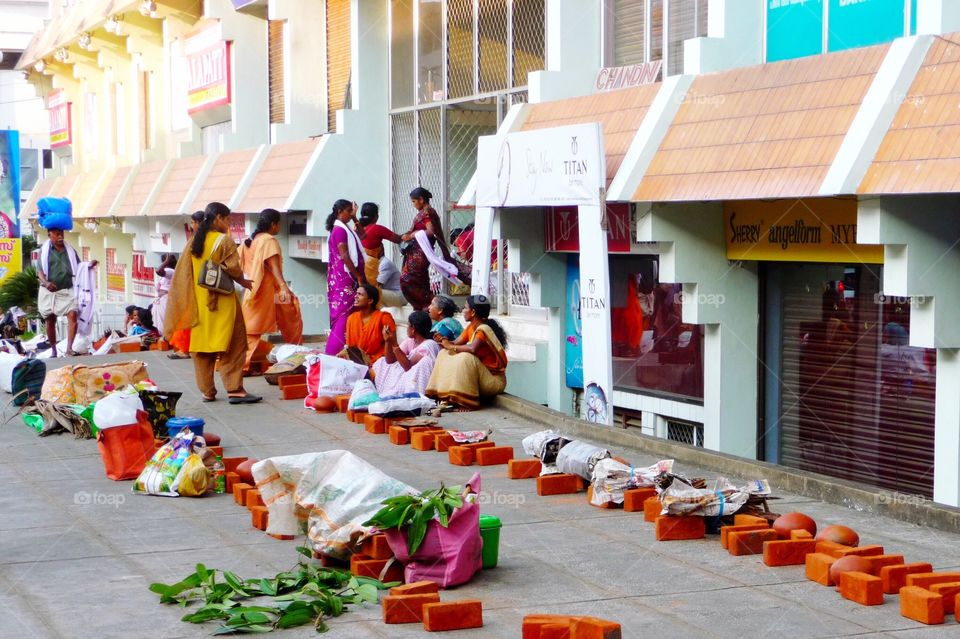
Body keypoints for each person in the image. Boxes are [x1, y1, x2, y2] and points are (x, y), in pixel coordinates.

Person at [164, 202, 261, 404]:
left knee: (202, 348)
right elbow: (234, 268)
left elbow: (184, 273)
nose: (228, 223)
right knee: (234, 344)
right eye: (227, 219)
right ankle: (234, 389)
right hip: (222, 300)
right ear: (218, 217)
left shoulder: (193, 242)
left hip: (200, 303)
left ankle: (207, 391)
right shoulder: (223, 241)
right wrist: (242, 280)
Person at [239, 208, 301, 371]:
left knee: (289, 319)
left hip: (254, 289)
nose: (279, 227)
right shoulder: (268, 240)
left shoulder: (249, 240)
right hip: (270, 290)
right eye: (279, 224)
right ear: (273, 224)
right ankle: (242, 365)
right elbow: (274, 267)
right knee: (290, 317)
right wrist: (284, 287)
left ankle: (295, 356)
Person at [426, 294, 508, 410]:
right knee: (444, 353)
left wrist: (450, 346)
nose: (462, 310)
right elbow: (455, 343)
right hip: (480, 378)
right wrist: (443, 341)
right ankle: (442, 396)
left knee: (466, 357)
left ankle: (467, 402)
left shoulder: (483, 328)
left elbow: (472, 349)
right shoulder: (471, 327)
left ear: (473, 312)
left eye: (465, 308)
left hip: (494, 382)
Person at [37, 227, 97, 357]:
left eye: (62, 233)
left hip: (68, 289)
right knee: (50, 320)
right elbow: (39, 271)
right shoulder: (44, 251)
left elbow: (80, 266)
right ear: (49, 235)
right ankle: (53, 349)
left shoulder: (70, 250)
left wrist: (89, 265)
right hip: (49, 291)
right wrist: (46, 283)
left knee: (73, 315)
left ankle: (69, 349)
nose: (60, 236)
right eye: (57, 234)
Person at [399, 187, 454, 311]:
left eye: (414, 201)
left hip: (421, 252)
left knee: (407, 279)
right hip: (417, 251)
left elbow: (430, 231)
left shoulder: (427, 212)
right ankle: (426, 306)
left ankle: (429, 303)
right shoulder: (425, 212)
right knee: (421, 280)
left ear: (421, 200)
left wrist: (413, 234)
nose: (413, 204)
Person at [325, 199, 366, 355]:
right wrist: (358, 277)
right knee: (343, 319)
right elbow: (344, 256)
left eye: (351, 211)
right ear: (340, 211)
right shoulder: (339, 230)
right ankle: (333, 353)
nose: (350, 214)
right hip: (345, 280)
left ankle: (351, 351)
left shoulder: (346, 228)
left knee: (353, 317)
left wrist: (355, 217)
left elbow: (363, 234)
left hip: (346, 279)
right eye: (349, 211)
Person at [372, 310, 441, 396]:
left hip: (418, 381)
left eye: (408, 325)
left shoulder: (429, 344)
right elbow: (390, 360)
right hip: (407, 375)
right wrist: (388, 341)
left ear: (413, 329)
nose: (407, 328)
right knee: (382, 362)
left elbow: (408, 366)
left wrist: (394, 343)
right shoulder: (411, 341)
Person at [169, 211, 204, 359]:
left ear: (198, 223)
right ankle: (186, 348)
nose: (192, 225)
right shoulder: (197, 240)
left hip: (198, 287)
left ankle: (187, 349)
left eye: (193, 222)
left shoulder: (199, 241)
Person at [343, 283, 396, 364]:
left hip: (379, 362)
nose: (355, 296)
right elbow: (350, 347)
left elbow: (393, 345)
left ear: (370, 300)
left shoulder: (384, 317)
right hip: (356, 362)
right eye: (356, 293)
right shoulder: (351, 318)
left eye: (360, 294)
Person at [355, 202, 402, 288]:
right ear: (376, 216)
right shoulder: (377, 229)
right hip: (373, 271)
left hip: (357, 269)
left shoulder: (355, 229)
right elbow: (398, 239)